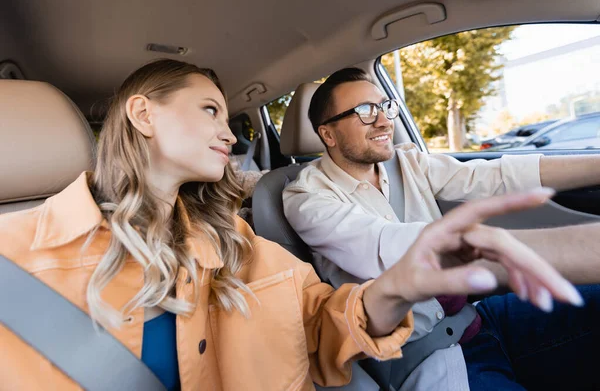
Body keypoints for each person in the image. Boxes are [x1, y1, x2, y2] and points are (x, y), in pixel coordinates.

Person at [0, 59, 581, 391]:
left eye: (230, 117)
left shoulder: (235, 242)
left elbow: (323, 327)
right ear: (143, 113)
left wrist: (395, 289)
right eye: (210, 111)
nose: (231, 133)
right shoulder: (14, 263)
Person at [282, 67, 600, 391]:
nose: (383, 121)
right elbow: (385, 246)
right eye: (364, 111)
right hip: (426, 355)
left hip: (475, 319)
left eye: (384, 106)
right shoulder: (305, 196)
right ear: (328, 135)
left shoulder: (406, 161)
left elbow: (492, 176)